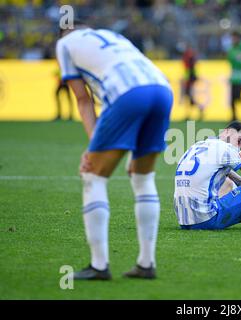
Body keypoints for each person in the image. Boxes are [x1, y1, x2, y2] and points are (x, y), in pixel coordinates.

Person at [56, 21, 173, 280]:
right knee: (143, 178)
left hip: (127, 94)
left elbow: (84, 99)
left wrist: (92, 148)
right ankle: (146, 263)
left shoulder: (64, 44)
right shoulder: (110, 34)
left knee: (93, 176)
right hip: (162, 89)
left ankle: (99, 266)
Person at [182, 43, 204, 120]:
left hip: (189, 80)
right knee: (189, 97)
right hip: (189, 79)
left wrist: (189, 79)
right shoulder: (189, 56)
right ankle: (190, 113)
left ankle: (191, 113)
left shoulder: (188, 56)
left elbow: (190, 69)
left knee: (189, 97)